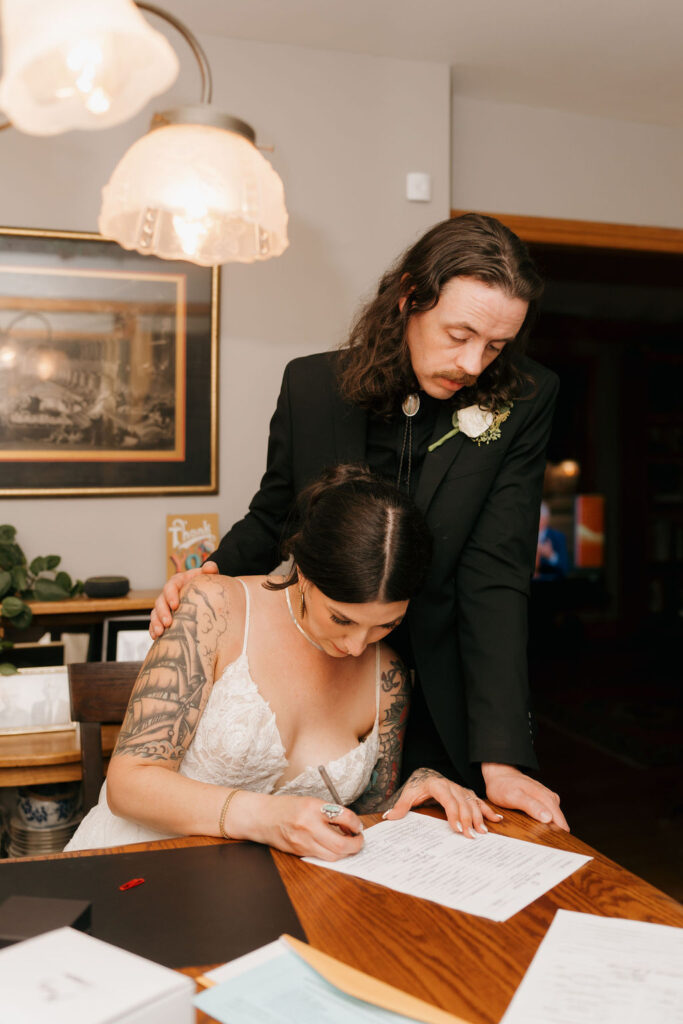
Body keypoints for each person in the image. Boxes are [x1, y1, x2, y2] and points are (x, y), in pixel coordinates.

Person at [151, 213, 569, 832]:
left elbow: (496, 575)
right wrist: (209, 573)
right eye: (460, 334)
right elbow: (276, 514)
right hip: (324, 673)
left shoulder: (525, 399)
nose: (474, 365)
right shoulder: (312, 385)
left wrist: (500, 753)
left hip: (439, 691)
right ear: (408, 298)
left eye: (496, 346)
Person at [66, 467, 504, 858]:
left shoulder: (386, 675)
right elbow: (130, 783)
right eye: (342, 618)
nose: (356, 647)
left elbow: (366, 815)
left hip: (275, 898)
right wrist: (265, 817)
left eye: (385, 626)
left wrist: (419, 785)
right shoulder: (214, 608)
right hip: (138, 866)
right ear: (305, 572)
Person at [535, 501, 570, 579]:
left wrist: (551, 556)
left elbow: (564, 569)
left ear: (546, 518)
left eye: (541, 517)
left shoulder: (558, 537)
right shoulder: (526, 536)